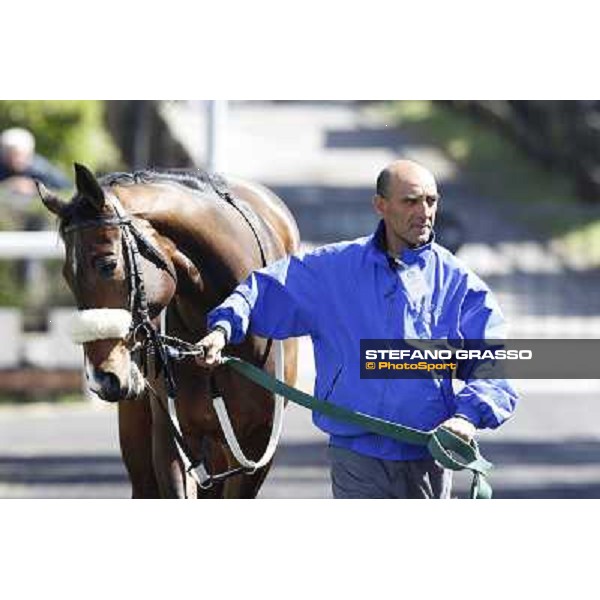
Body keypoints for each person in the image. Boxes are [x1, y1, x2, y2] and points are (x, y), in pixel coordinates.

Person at [195, 159, 518, 499]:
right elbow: (262, 291)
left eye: (431, 201)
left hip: (428, 456)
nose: (424, 211)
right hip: (357, 458)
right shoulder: (332, 269)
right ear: (381, 205)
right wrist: (221, 329)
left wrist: (467, 418)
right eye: (411, 201)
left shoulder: (458, 282)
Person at [0, 127, 70, 194]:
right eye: (9, 155)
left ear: (30, 153)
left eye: (18, 154)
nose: (15, 160)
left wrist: (36, 189)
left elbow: (67, 189)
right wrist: (6, 186)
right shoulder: (2, 167)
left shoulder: (43, 170)